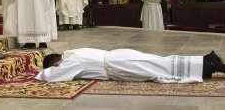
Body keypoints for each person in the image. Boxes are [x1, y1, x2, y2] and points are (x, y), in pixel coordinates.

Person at [36, 48, 225, 83]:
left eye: (55, 66)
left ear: (55, 63)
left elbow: (50, 76)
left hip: (118, 65)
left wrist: (40, 74)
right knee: (159, 61)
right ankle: (206, 61)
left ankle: (207, 65)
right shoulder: (74, 52)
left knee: (159, 69)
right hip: (119, 55)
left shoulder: (70, 61)